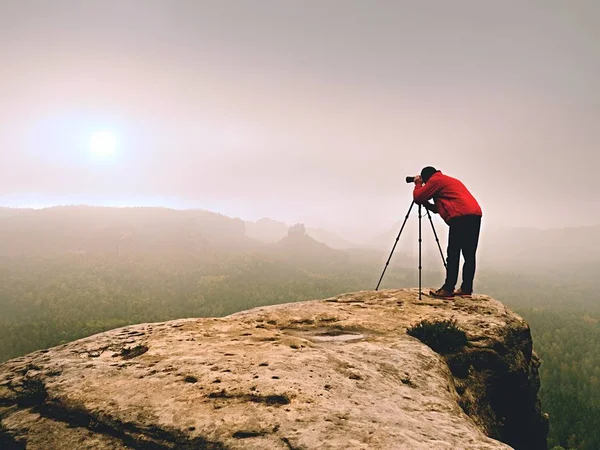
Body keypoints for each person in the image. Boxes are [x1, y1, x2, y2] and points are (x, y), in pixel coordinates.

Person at [412, 166, 482, 299]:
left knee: (453, 253)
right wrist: (427, 204)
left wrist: (418, 184)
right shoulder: (448, 181)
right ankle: (466, 288)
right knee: (469, 255)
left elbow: (418, 197)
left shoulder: (435, 181)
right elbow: (439, 208)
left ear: (426, 177)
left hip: (460, 218)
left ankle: (448, 289)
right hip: (474, 215)